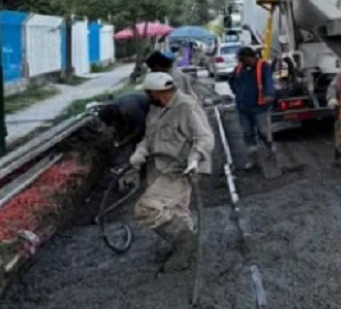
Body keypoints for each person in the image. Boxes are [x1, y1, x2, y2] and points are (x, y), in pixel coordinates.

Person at [121, 72, 214, 272]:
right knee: (177, 211)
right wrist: (140, 152)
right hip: (159, 165)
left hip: (180, 169)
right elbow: (149, 138)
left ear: (156, 92)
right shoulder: (156, 109)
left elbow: (205, 138)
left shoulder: (186, 107)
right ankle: (185, 253)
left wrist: (195, 159)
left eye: (149, 92)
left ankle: (186, 243)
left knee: (148, 209)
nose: (147, 96)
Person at [228, 46, 276, 171]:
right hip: (243, 107)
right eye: (240, 59)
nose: (241, 62)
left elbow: (269, 82)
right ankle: (253, 159)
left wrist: (270, 95)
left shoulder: (263, 66)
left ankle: (271, 156)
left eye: (243, 59)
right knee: (247, 134)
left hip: (259, 107)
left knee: (264, 132)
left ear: (251, 57)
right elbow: (231, 81)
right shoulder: (239, 69)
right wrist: (237, 93)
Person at [96, 91, 151, 163]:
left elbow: (141, 129)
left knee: (142, 139)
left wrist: (124, 142)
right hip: (139, 110)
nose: (113, 125)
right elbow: (121, 125)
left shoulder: (130, 110)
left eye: (112, 123)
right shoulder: (116, 107)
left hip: (155, 109)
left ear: (114, 115)